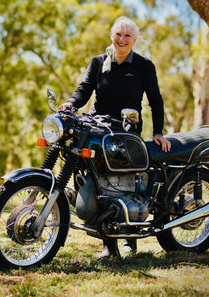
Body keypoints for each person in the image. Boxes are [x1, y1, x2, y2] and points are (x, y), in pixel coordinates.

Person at [58, 16, 171, 258]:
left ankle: (128, 241)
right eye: (118, 34)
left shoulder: (143, 66)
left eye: (127, 36)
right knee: (96, 178)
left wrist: (159, 132)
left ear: (134, 40)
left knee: (123, 183)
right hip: (97, 127)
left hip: (126, 131)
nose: (122, 39)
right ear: (112, 35)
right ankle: (108, 243)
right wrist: (70, 103)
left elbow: (155, 101)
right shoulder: (98, 62)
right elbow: (84, 89)